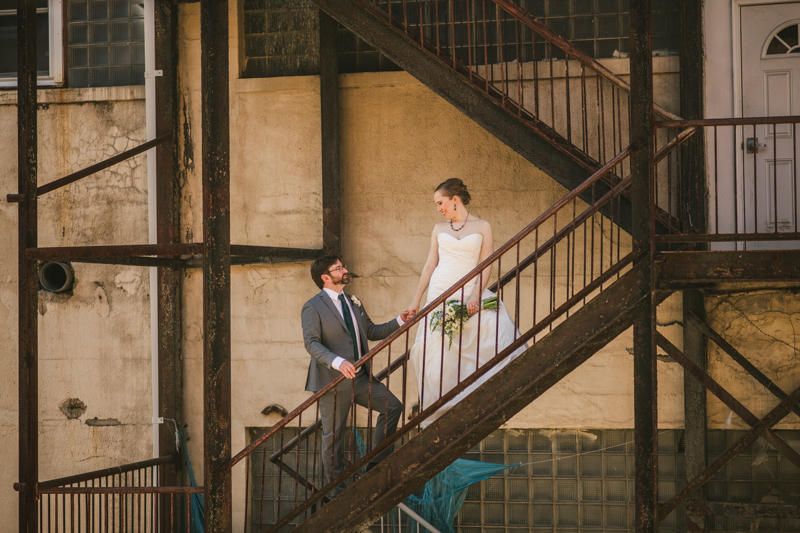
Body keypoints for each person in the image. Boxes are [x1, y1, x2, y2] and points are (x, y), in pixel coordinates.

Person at [405, 179, 526, 426]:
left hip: (470, 289)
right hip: (440, 289)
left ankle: (475, 393)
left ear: (454, 199)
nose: (438, 208)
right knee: (436, 351)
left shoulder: (483, 226)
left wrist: (475, 294)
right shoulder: (439, 228)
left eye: (441, 203)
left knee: (495, 326)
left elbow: (486, 264)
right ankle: (439, 409)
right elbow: (430, 265)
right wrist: (416, 300)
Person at [301, 255, 410, 495]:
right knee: (334, 435)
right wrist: (338, 362)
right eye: (339, 268)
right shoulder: (313, 306)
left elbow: (370, 331)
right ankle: (336, 490)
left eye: (343, 266)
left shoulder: (353, 300)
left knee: (393, 406)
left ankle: (376, 461)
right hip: (332, 381)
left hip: (361, 378)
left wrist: (399, 321)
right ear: (325, 277)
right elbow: (312, 343)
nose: (345, 270)